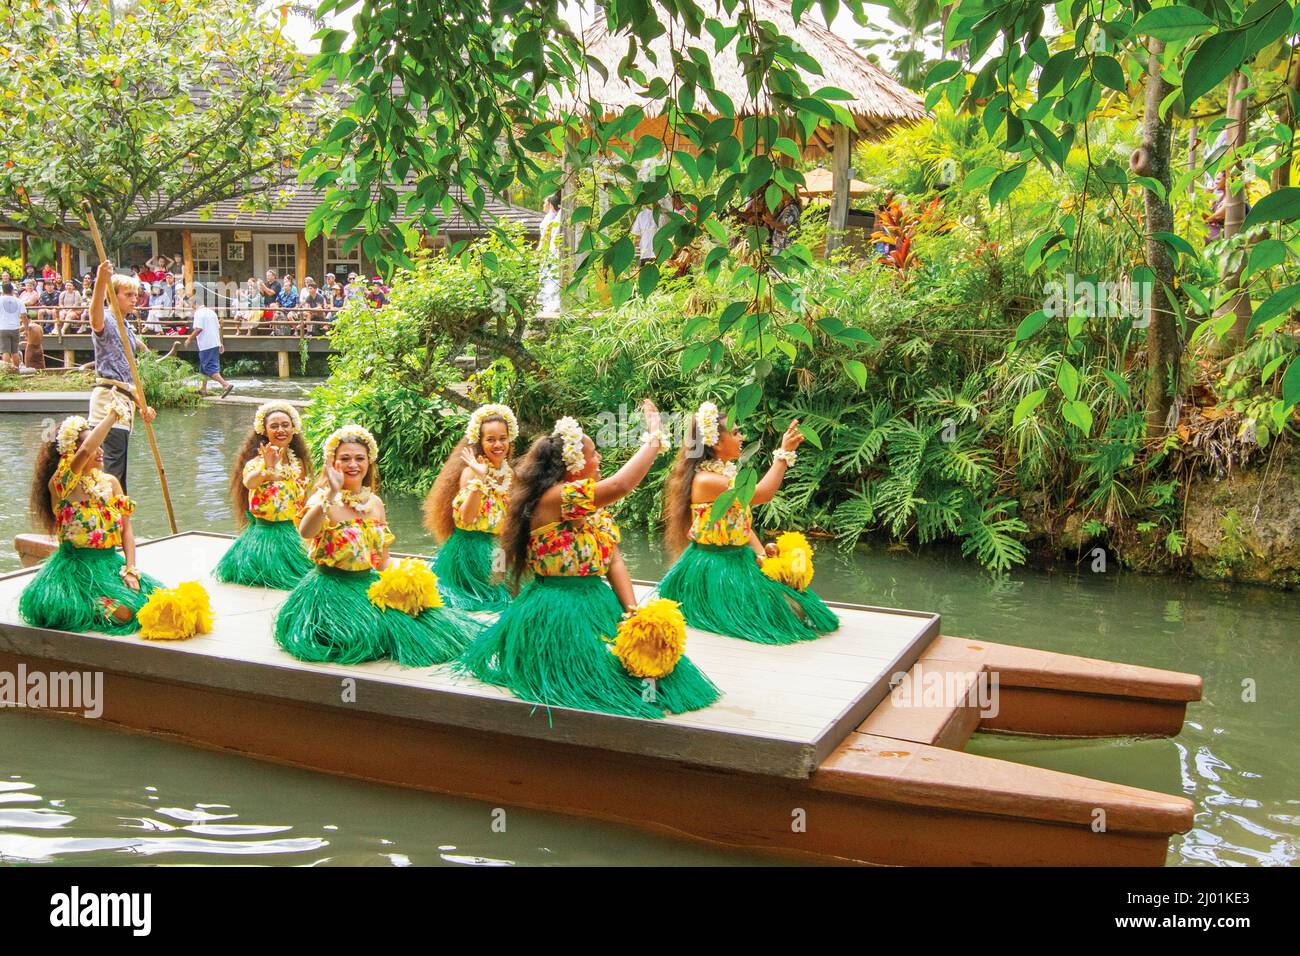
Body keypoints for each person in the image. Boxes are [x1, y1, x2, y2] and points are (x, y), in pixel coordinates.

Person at [456, 404, 721, 718]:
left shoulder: (594, 510)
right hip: (556, 608)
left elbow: (614, 562)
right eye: (593, 454)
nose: (599, 460)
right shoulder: (553, 499)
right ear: (573, 464)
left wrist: (632, 614)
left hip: (596, 602)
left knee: (644, 668)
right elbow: (621, 485)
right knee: (600, 680)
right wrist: (653, 439)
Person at [274, 424, 484, 665]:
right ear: (333, 464)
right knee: (361, 638)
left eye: (359, 458)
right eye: (345, 458)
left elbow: (382, 561)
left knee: (420, 623)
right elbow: (306, 531)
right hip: (331, 590)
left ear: (369, 462)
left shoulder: (374, 503)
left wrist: (405, 586)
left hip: (367, 584)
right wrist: (331, 493)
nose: (353, 464)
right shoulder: (323, 499)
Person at [655, 402, 839, 644]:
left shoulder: (724, 473)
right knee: (785, 614)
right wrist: (783, 455)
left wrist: (762, 556)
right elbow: (762, 494)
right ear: (716, 443)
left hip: (740, 558)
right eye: (735, 432)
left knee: (798, 607)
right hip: (716, 568)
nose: (742, 437)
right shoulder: (707, 480)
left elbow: (740, 524)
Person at [19, 406, 165, 634]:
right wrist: (112, 416)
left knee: (157, 607)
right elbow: (86, 450)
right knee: (123, 613)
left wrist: (130, 569)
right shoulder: (61, 485)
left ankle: (103, 598)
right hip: (77, 570)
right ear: (71, 452)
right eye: (94, 445)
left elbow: (127, 530)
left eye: (100, 445)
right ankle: (84, 603)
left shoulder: (110, 483)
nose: (100, 450)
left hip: (110, 565)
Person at [423, 403, 518, 611]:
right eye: (490, 439)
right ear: (480, 442)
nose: (498, 444)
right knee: (482, 602)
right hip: (471, 550)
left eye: (503, 438)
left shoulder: (508, 473)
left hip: (496, 549)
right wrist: (480, 479)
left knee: (508, 595)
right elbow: (466, 518)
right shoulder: (471, 473)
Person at [213, 402, 315, 589]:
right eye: (274, 426)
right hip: (265, 535)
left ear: (294, 429)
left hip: (293, 532)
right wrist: (267, 469)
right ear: (264, 431)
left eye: (285, 425)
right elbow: (249, 482)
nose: (281, 430)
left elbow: (303, 499)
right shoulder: (256, 463)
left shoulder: (298, 463)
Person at [87, 260, 156, 494]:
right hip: (109, 400)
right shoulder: (106, 318)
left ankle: (118, 517)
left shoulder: (125, 326)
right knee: (111, 468)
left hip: (124, 400)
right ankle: (107, 518)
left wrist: (142, 405)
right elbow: (94, 319)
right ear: (113, 296)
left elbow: (127, 372)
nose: (134, 299)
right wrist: (100, 282)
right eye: (128, 294)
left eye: (135, 295)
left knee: (119, 469)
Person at [182, 300, 232, 397]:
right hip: (214, 343)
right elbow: (217, 329)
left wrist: (189, 339)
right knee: (203, 368)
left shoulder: (199, 313)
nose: (191, 308)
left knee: (209, 368)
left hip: (206, 344)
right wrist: (220, 343)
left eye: (191, 306)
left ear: (194, 304)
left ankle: (226, 385)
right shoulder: (211, 312)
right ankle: (203, 389)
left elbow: (198, 329)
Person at [537, 192, 562, 313]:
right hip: (549, 249)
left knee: (551, 275)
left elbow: (547, 236)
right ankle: (547, 302)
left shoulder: (553, 218)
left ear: (551, 204)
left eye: (545, 202)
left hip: (551, 249)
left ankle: (552, 302)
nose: (543, 205)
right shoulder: (551, 217)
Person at [0, 281, 24, 370]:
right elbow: (24, 316)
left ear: (3, 290)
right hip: (15, 328)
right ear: (12, 290)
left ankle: (7, 371)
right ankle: (16, 370)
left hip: (3, 328)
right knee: (15, 351)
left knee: (5, 351)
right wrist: (26, 329)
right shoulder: (19, 301)